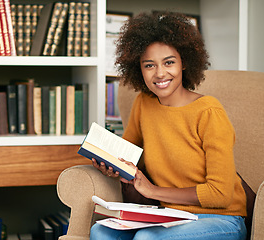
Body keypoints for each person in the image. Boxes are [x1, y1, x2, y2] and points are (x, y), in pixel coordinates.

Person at [90, 11, 247, 240]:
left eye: (169, 62)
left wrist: (153, 191)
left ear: (184, 63)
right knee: (100, 232)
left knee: (148, 239)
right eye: (149, 65)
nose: (160, 73)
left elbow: (220, 194)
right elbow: (127, 154)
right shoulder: (143, 104)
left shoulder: (209, 112)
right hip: (169, 217)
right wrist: (113, 166)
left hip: (223, 219)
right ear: (139, 69)